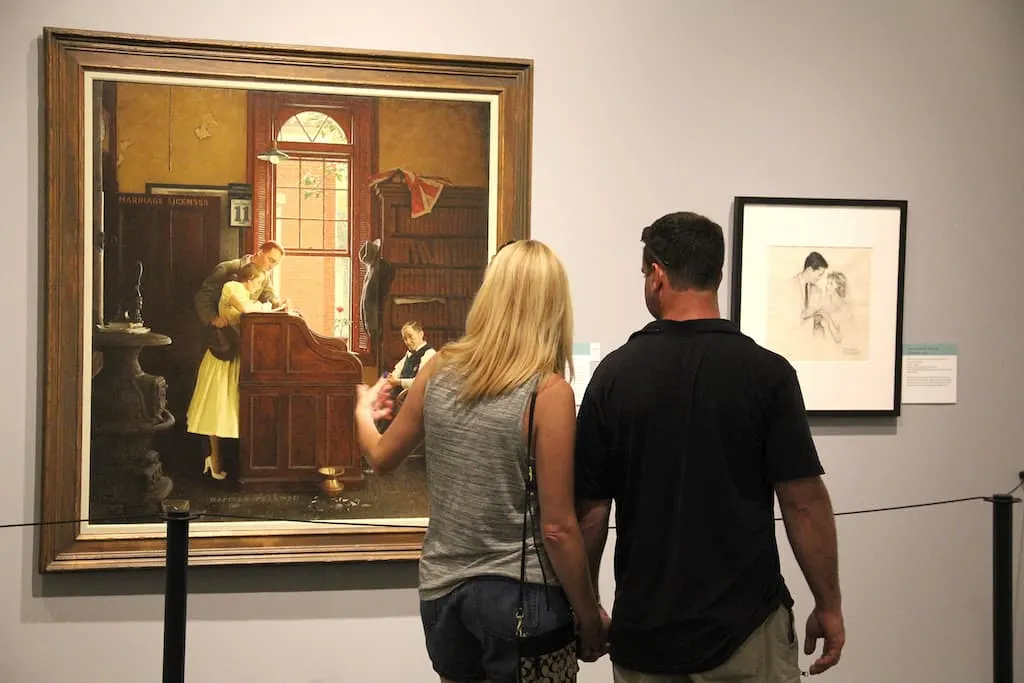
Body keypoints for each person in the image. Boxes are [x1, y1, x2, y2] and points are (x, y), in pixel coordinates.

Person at [574, 212, 845, 682]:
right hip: (746, 631)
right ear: (717, 275)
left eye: (644, 273)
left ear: (656, 274)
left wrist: (588, 607)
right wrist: (829, 605)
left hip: (645, 636)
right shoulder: (767, 374)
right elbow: (803, 505)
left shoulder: (614, 377)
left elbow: (592, 512)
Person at [354, 239, 608, 682]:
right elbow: (558, 527)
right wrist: (589, 615)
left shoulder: (438, 368)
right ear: (553, 307)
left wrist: (361, 412)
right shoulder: (548, 393)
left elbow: (380, 457)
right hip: (522, 598)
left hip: (442, 595)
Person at [186, 263, 276, 479]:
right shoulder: (232, 287)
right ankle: (215, 458)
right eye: (259, 281)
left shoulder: (245, 294)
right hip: (223, 356)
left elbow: (250, 306)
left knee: (229, 409)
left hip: (236, 355)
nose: (259, 286)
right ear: (251, 279)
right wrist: (266, 307)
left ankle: (222, 460)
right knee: (217, 408)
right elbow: (246, 310)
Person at [194, 240, 289, 328]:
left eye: (276, 264)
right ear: (260, 252)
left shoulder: (264, 275)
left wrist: (279, 303)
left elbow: (269, 296)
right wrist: (212, 319)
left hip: (245, 328)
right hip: (223, 328)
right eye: (271, 260)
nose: (272, 266)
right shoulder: (227, 269)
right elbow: (203, 297)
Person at [386, 321, 436, 392]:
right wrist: (391, 378)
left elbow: (420, 383)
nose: (408, 342)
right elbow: (397, 371)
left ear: (421, 334)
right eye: (405, 339)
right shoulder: (409, 354)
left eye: (410, 336)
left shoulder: (429, 354)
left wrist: (399, 382)